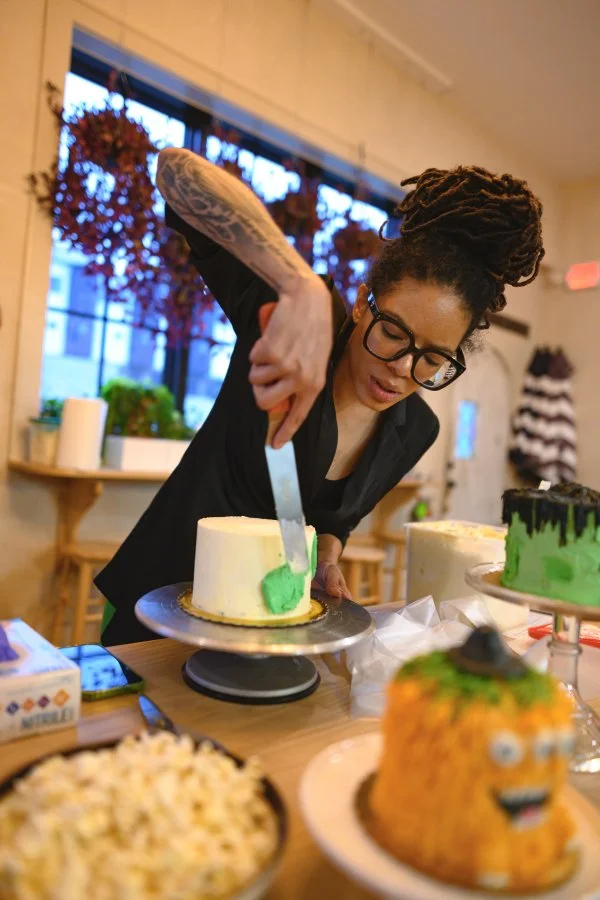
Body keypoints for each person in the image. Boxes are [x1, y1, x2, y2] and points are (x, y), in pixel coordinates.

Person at [96, 154, 544, 645]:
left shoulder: (415, 430)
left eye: (433, 359)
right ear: (361, 301)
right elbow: (176, 173)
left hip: (272, 633)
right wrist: (295, 282)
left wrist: (327, 556)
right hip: (158, 610)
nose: (402, 368)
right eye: (393, 331)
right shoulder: (300, 320)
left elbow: (336, 518)